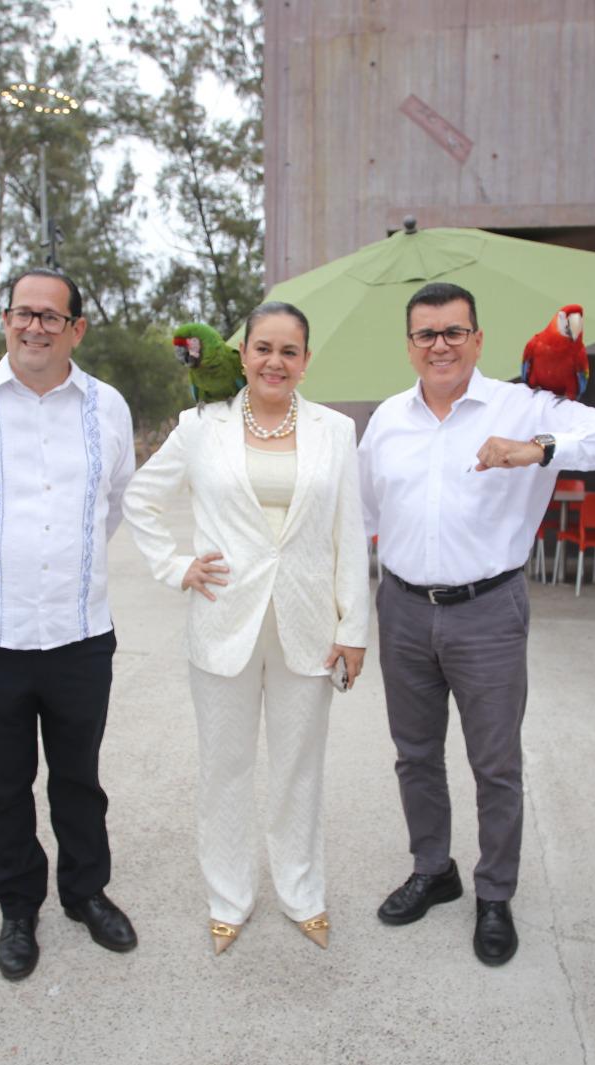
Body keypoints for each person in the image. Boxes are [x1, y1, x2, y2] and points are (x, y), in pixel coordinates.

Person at [359, 281, 595, 965]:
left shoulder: (524, 405)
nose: (440, 345)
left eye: (454, 331)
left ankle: (495, 893)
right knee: (415, 755)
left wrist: (539, 449)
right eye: (426, 333)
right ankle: (434, 870)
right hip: (401, 609)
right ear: (409, 346)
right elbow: (363, 517)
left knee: (495, 764)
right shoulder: (386, 421)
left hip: (487, 611)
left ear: (478, 340)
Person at [0, 266, 138, 982]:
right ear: (4, 320)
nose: (34, 326)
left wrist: (61, 569)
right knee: (1, 785)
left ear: (77, 328)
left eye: (51, 316)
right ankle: (17, 907)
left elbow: (114, 505)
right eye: (22, 313)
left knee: (79, 777)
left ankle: (86, 892)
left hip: (79, 634)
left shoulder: (107, 406)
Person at [122, 301, 368, 955]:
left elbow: (349, 532)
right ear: (243, 352)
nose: (275, 362)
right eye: (264, 347)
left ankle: (301, 892)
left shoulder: (335, 432)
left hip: (309, 625)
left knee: (299, 768)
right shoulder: (200, 426)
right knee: (224, 768)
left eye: (290, 351)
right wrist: (177, 567)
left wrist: (355, 627)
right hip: (223, 620)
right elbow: (140, 497)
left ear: (306, 361)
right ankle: (229, 897)